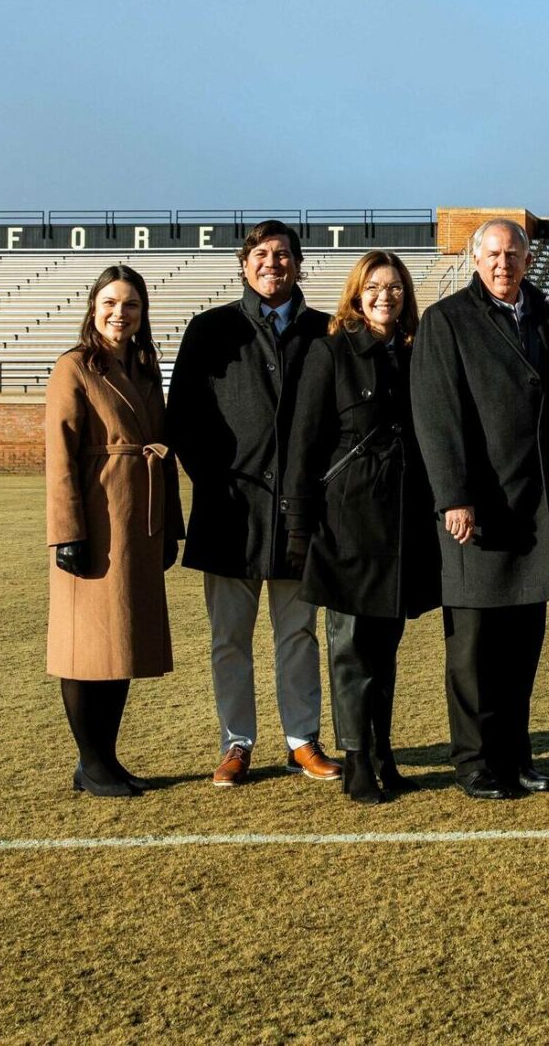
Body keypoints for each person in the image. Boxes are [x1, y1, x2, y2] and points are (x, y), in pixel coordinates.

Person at [168, 219, 339, 787]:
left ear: (298, 263)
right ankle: (236, 741)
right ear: (244, 263)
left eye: (284, 253)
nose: (273, 262)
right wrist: (216, 484)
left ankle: (302, 740)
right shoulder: (209, 330)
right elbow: (184, 421)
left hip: (299, 514)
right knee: (229, 638)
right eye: (262, 253)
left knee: (298, 634)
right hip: (230, 515)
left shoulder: (325, 331)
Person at [411, 218, 549, 801]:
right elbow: (436, 414)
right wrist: (453, 495)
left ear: (528, 260)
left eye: (514, 254)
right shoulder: (445, 320)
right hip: (477, 507)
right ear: (475, 258)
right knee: (474, 650)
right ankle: (476, 763)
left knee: (521, 646)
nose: (504, 263)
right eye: (493, 254)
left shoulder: (545, 316)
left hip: (531, 506)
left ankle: (516, 756)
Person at [287, 250, 438, 805]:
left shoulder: (416, 353)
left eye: (395, 288)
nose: (385, 296)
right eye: (374, 286)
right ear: (356, 293)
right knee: (350, 646)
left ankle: (382, 752)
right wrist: (299, 530)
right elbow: (303, 447)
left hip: (401, 522)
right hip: (346, 523)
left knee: (385, 647)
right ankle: (355, 761)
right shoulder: (328, 354)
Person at [46, 264, 181, 797]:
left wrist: (169, 526)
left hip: (138, 521)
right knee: (85, 645)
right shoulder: (74, 367)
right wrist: (67, 533)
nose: (119, 313)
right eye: (109, 302)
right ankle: (90, 761)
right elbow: (59, 455)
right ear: (93, 307)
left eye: (130, 304)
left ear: (143, 313)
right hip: (96, 521)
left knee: (120, 640)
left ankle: (106, 758)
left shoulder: (146, 370)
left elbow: (162, 451)